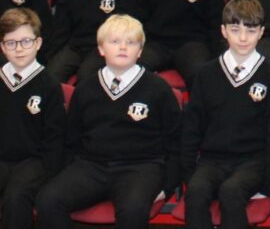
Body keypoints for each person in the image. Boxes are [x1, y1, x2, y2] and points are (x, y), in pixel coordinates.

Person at [36, 15, 181, 229]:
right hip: (91, 166)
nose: (123, 47)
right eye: (115, 41)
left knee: (132, 210)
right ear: (101, 49)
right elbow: (71, 140)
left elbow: (177, 143)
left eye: (131, 42)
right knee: (48, 201)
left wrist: (167, 186)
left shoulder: (159, 89)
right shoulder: (85, 88)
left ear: (140, 51)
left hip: (141, 167)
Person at [181, 0, 270, 229]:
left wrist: (269, 181)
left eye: (251, 30)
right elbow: (192, 127)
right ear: (223, 31)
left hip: (252, 162)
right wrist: (189, 173)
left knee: (231, 191)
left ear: (261, 32)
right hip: (211, 160)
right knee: (196, 192)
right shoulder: (205, 74)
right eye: (235, 29)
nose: (243, 38)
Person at [0, 8, 65, 229]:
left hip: (35, 161)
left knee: (16, 197)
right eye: (11, 43)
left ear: (38, 43)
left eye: (26, 41)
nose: (19, 49)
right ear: (2, 47)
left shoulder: (49, 85)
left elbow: (55, 138)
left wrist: (52, 175)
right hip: (2, 159)